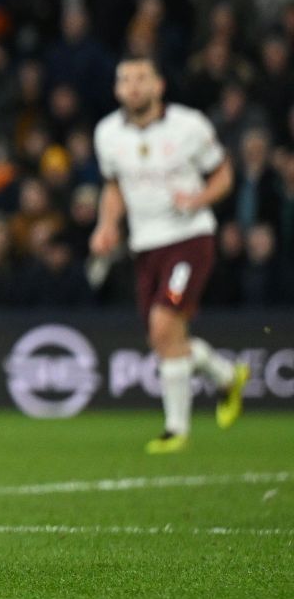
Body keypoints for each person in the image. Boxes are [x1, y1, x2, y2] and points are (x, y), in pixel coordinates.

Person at [89, 57, 248, 454]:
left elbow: (224, 175)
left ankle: (175, 429)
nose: (134, 86)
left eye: (142, 77)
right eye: (125, 79)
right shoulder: (107, 133)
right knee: (166, 340)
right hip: (145, 245)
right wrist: (106, 224)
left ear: (159, 85)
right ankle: (227, 377)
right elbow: (113, 187)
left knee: (163, 325)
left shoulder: (189, 125)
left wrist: (199, 198)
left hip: (189, 237)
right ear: (116, 90)